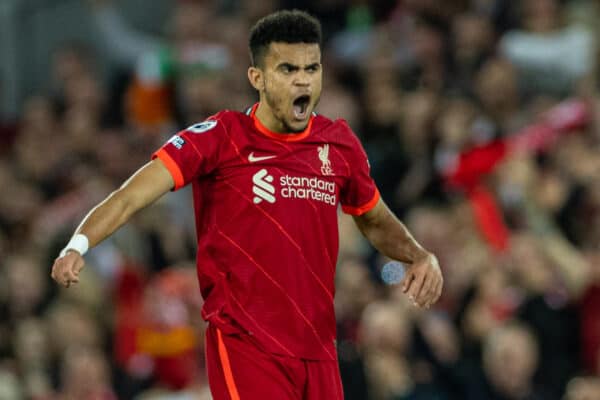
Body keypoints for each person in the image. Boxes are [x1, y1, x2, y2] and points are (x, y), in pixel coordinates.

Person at [51, 9, 443, 400]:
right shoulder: (221, 138)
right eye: (288, 69)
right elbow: (131, 196)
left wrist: (418, 255)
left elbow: (373, 219)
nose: (303, 80)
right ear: (257, 78)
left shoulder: (339, 143)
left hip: (320, 349)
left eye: (312, 68)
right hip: (247, 344)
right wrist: (78, 244)